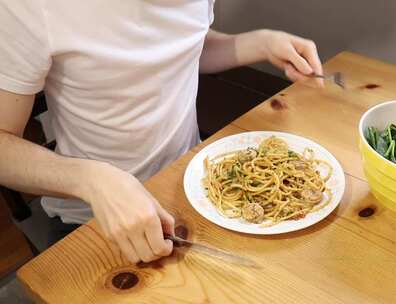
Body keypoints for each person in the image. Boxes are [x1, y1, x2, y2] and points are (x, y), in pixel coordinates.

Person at [0, 1, 323, 263]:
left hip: (195, 188)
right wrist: (93, 180)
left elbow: (182, 47)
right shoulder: (33, 7)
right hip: (92, 217)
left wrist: (260, 43)